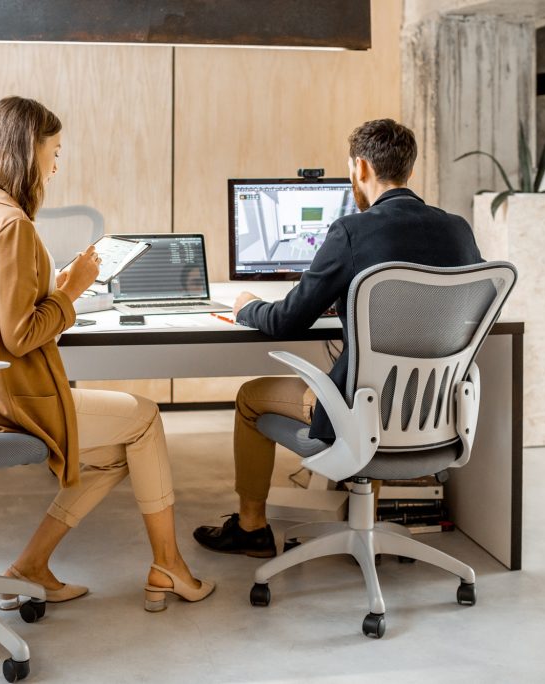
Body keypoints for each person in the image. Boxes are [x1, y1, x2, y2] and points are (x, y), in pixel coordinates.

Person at [0, 96, 213, 612]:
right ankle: (168, 565)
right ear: (29, 150)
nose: (55, 165)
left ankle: (32, 567)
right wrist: (71, 292)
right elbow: (22, 335)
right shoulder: (13, 225)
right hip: (15, 401)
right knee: (145, 419)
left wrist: (59, 287)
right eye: (55, 152)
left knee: (112, 456)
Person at [193, 119, 483, 557]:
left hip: (363, 414)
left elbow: (286, 321)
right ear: (409, 169)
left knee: (250, 397)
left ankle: (250, 529)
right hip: (435, 416)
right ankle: (367, 523)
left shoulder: (352, 231)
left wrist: (245, 307)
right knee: (375, 385)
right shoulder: (459, 230)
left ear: (360, 167)